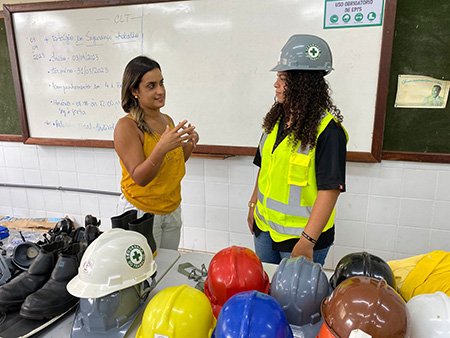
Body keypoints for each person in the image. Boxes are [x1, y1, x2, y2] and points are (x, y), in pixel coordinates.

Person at [247, 35, 347, 266]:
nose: (276, 84)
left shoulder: (328, 131)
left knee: (296, 302)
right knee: (269, 291)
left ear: (302, 83)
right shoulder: (275, 121)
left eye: (283, 78)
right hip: (265, 230)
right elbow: (264, 168)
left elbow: (329, 191)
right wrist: (253, 205)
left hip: (301, 239)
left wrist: (307, 241)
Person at [114, 56, 199, 250]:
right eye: (151, 86)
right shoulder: (126, 126)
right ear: (134, 90)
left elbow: (174, 164)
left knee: (166, 267)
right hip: (141, 213)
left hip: (171, 208)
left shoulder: (166, 120)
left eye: (161, 83)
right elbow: (140, 177)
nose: (160, 91)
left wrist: (189, 145)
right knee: (145, 273)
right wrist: (160, 148)